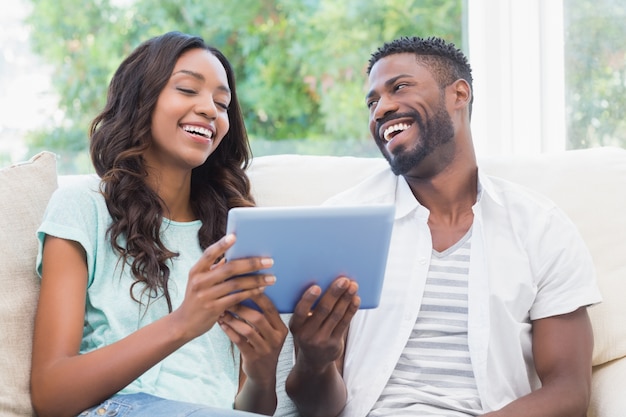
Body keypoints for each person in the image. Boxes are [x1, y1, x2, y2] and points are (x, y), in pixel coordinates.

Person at [284, 36, 602, 417]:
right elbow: (317, 409)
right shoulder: (338, 225)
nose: (381, 108)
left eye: (399, 87)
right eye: (371, 102)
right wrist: (314, 363)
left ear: (459, 94)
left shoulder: (541, 227)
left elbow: (569, 392)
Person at [30, 31, 288, 417]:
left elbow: (249, 407)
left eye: (222, 103)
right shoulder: (83, 206)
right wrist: (183, 322)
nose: (209, 110)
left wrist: (262, 373)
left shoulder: (231, 236)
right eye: (187, 89)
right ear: (141, 99)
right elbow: (51, 394)